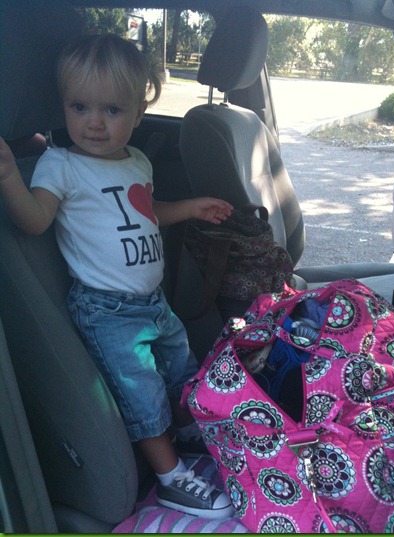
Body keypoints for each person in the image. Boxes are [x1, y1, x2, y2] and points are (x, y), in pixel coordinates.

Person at [0, 34, 234, 519]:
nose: (94, 122)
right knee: (140, 392)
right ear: (63, 106)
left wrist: (190, 207)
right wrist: (8, 180)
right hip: (106, 309)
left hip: (153, 303)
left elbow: (148, 213)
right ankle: (171, 478)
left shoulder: (137, 161)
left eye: (111, 110)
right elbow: (35, 221)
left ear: (139, 113)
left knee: (182, 369)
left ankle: (187, 432)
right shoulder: (60, 165)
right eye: (79, 107)